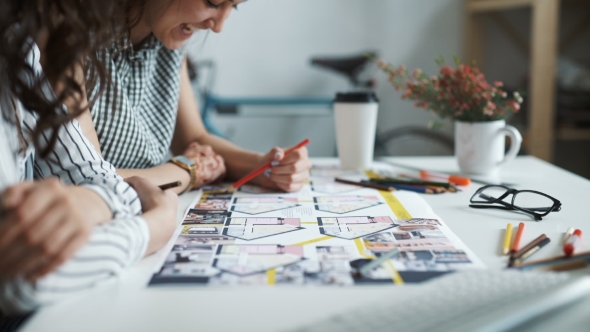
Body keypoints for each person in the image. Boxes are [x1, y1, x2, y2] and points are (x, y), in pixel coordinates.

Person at [0, 0, 177, 320]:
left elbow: (92, 171)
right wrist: (150, 229)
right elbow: (21, 276)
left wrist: (92, 201)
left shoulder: (18, 45)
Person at [80, 0, 312, 195]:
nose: (219, 26)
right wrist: (186, 170)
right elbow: (88, 178)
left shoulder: (168, 41)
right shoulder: (74, 44)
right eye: (213, 2)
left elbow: (193, 138)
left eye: (234, 6)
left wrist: (262, 168)